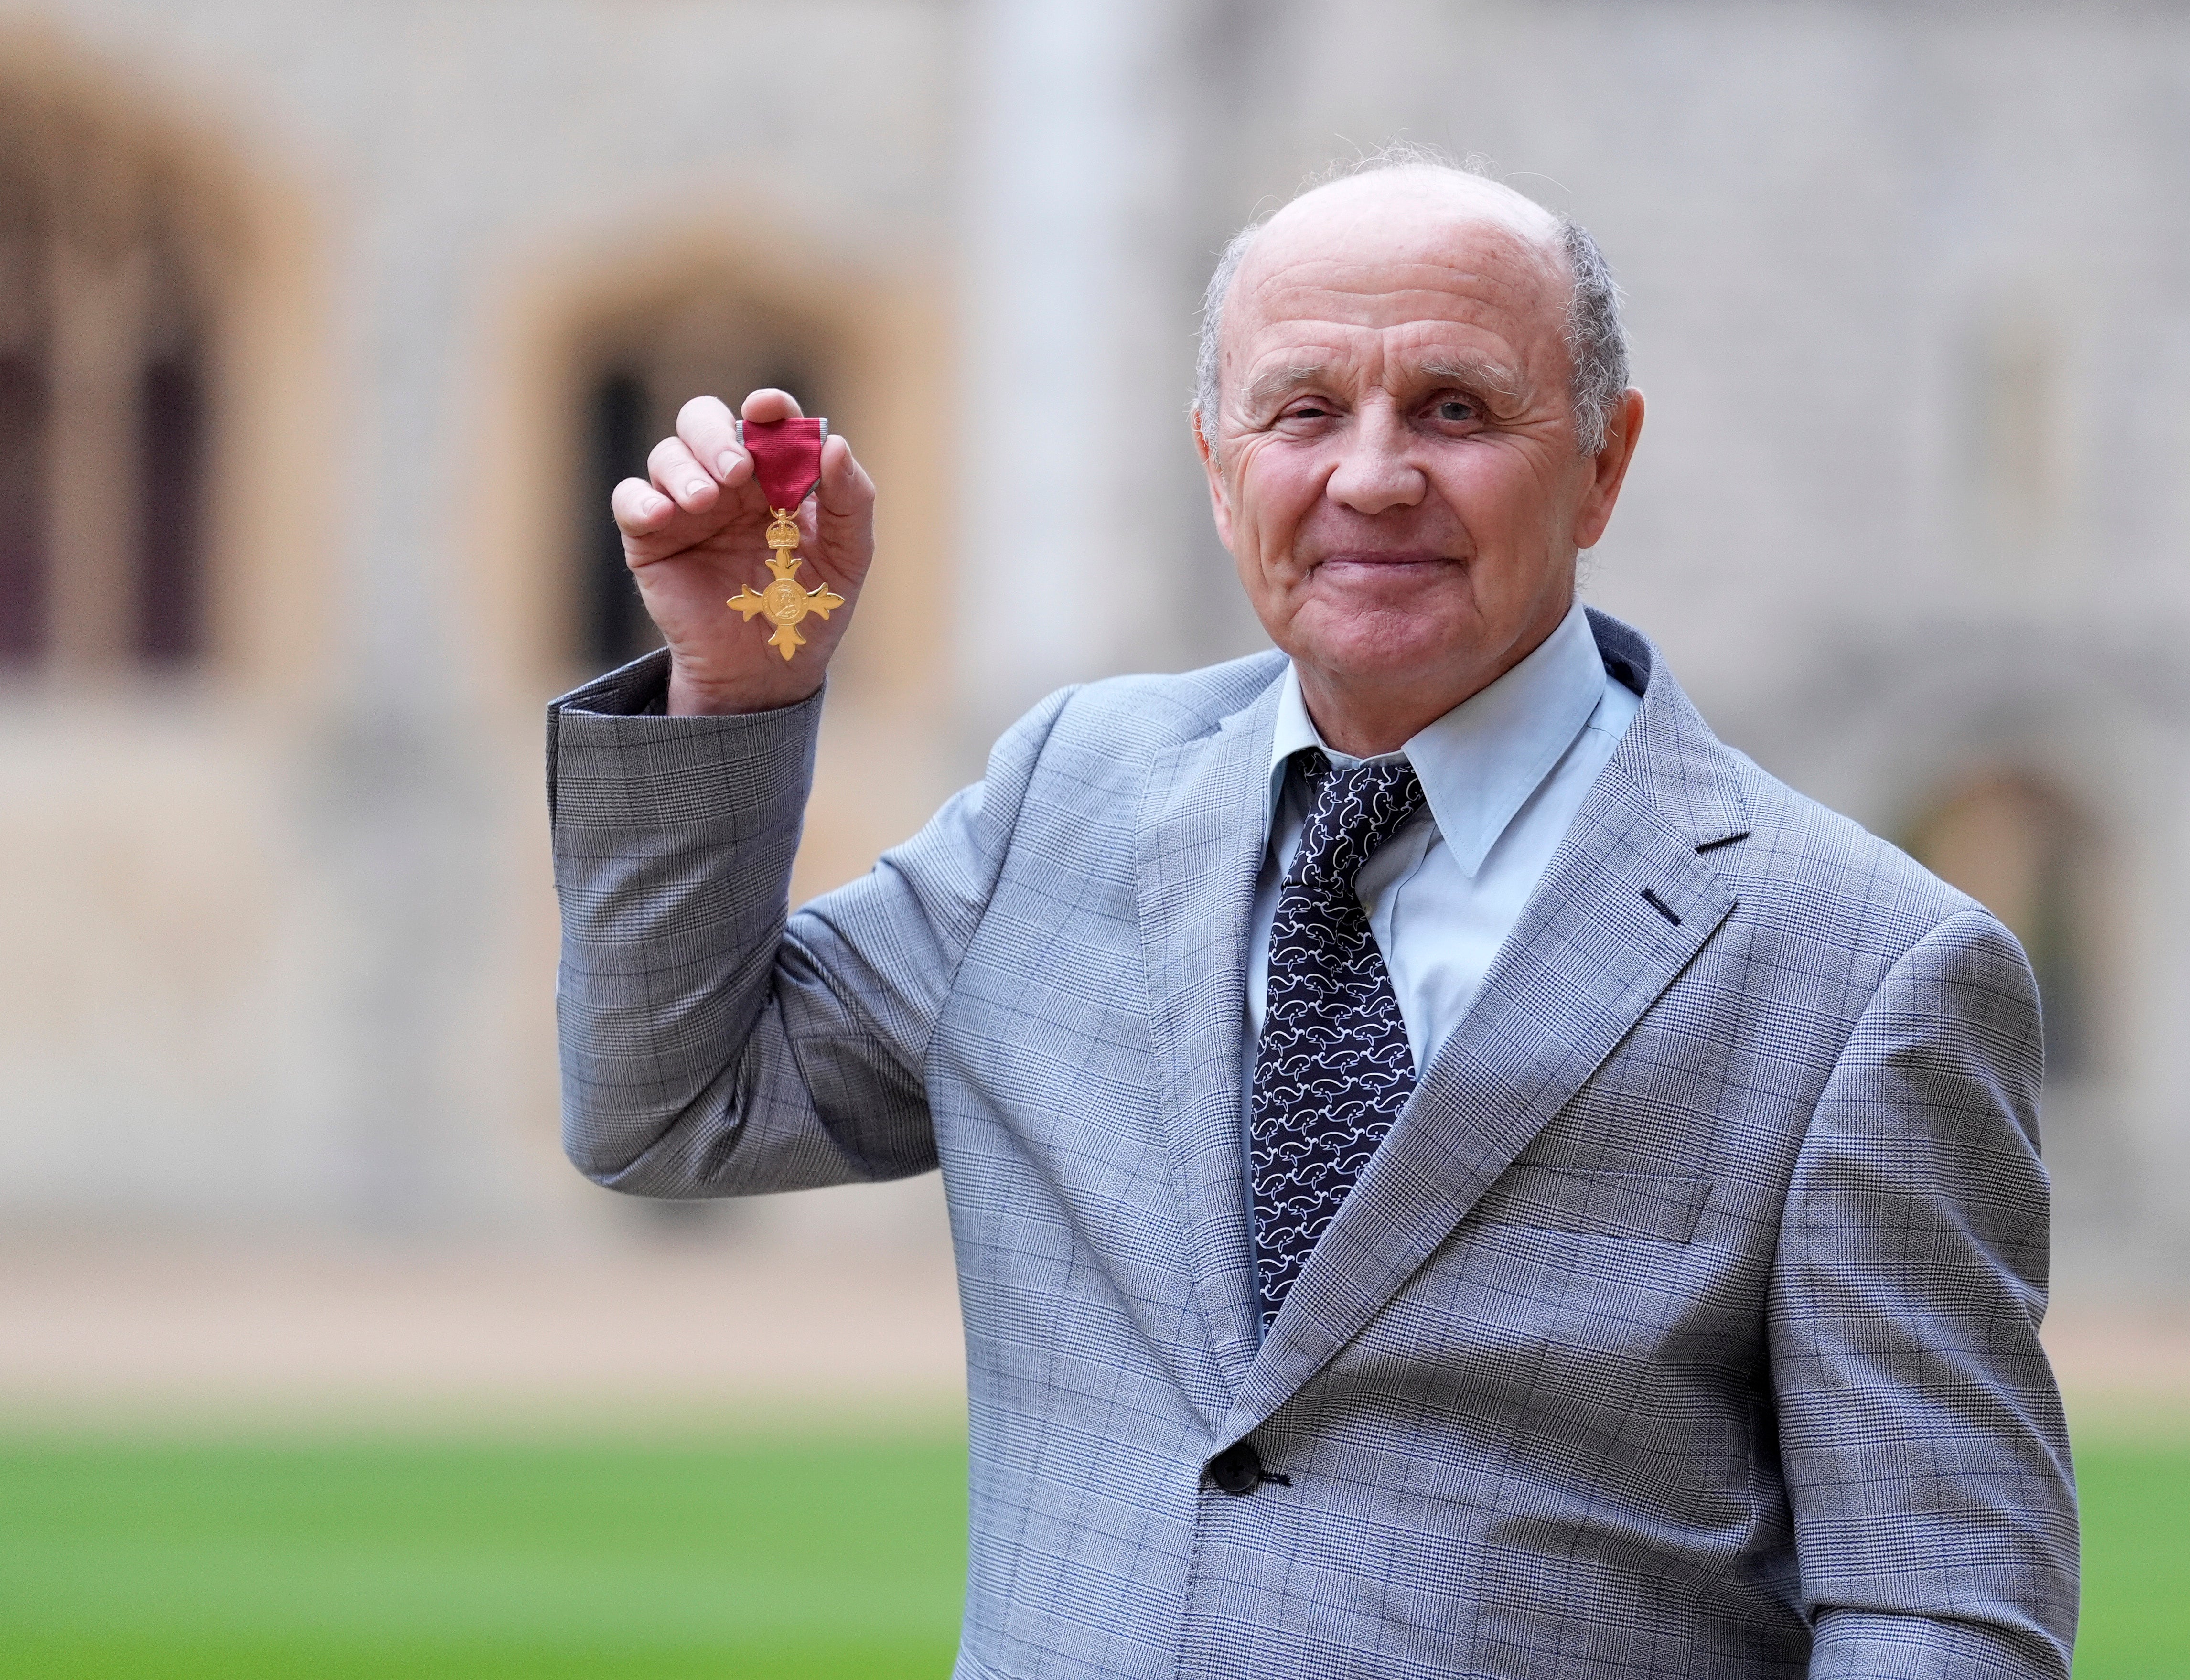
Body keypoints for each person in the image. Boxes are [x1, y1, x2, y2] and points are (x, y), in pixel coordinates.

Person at [548, 155, 2077, 1678]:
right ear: (1219, 468)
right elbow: (673, 1107)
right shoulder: (1066, 801)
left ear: (1604, 462)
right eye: (1303, 412)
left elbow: (1937, 1602)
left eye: (1457, 410)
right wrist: (739, 690)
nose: (1372, 477)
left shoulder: (1866, 966)